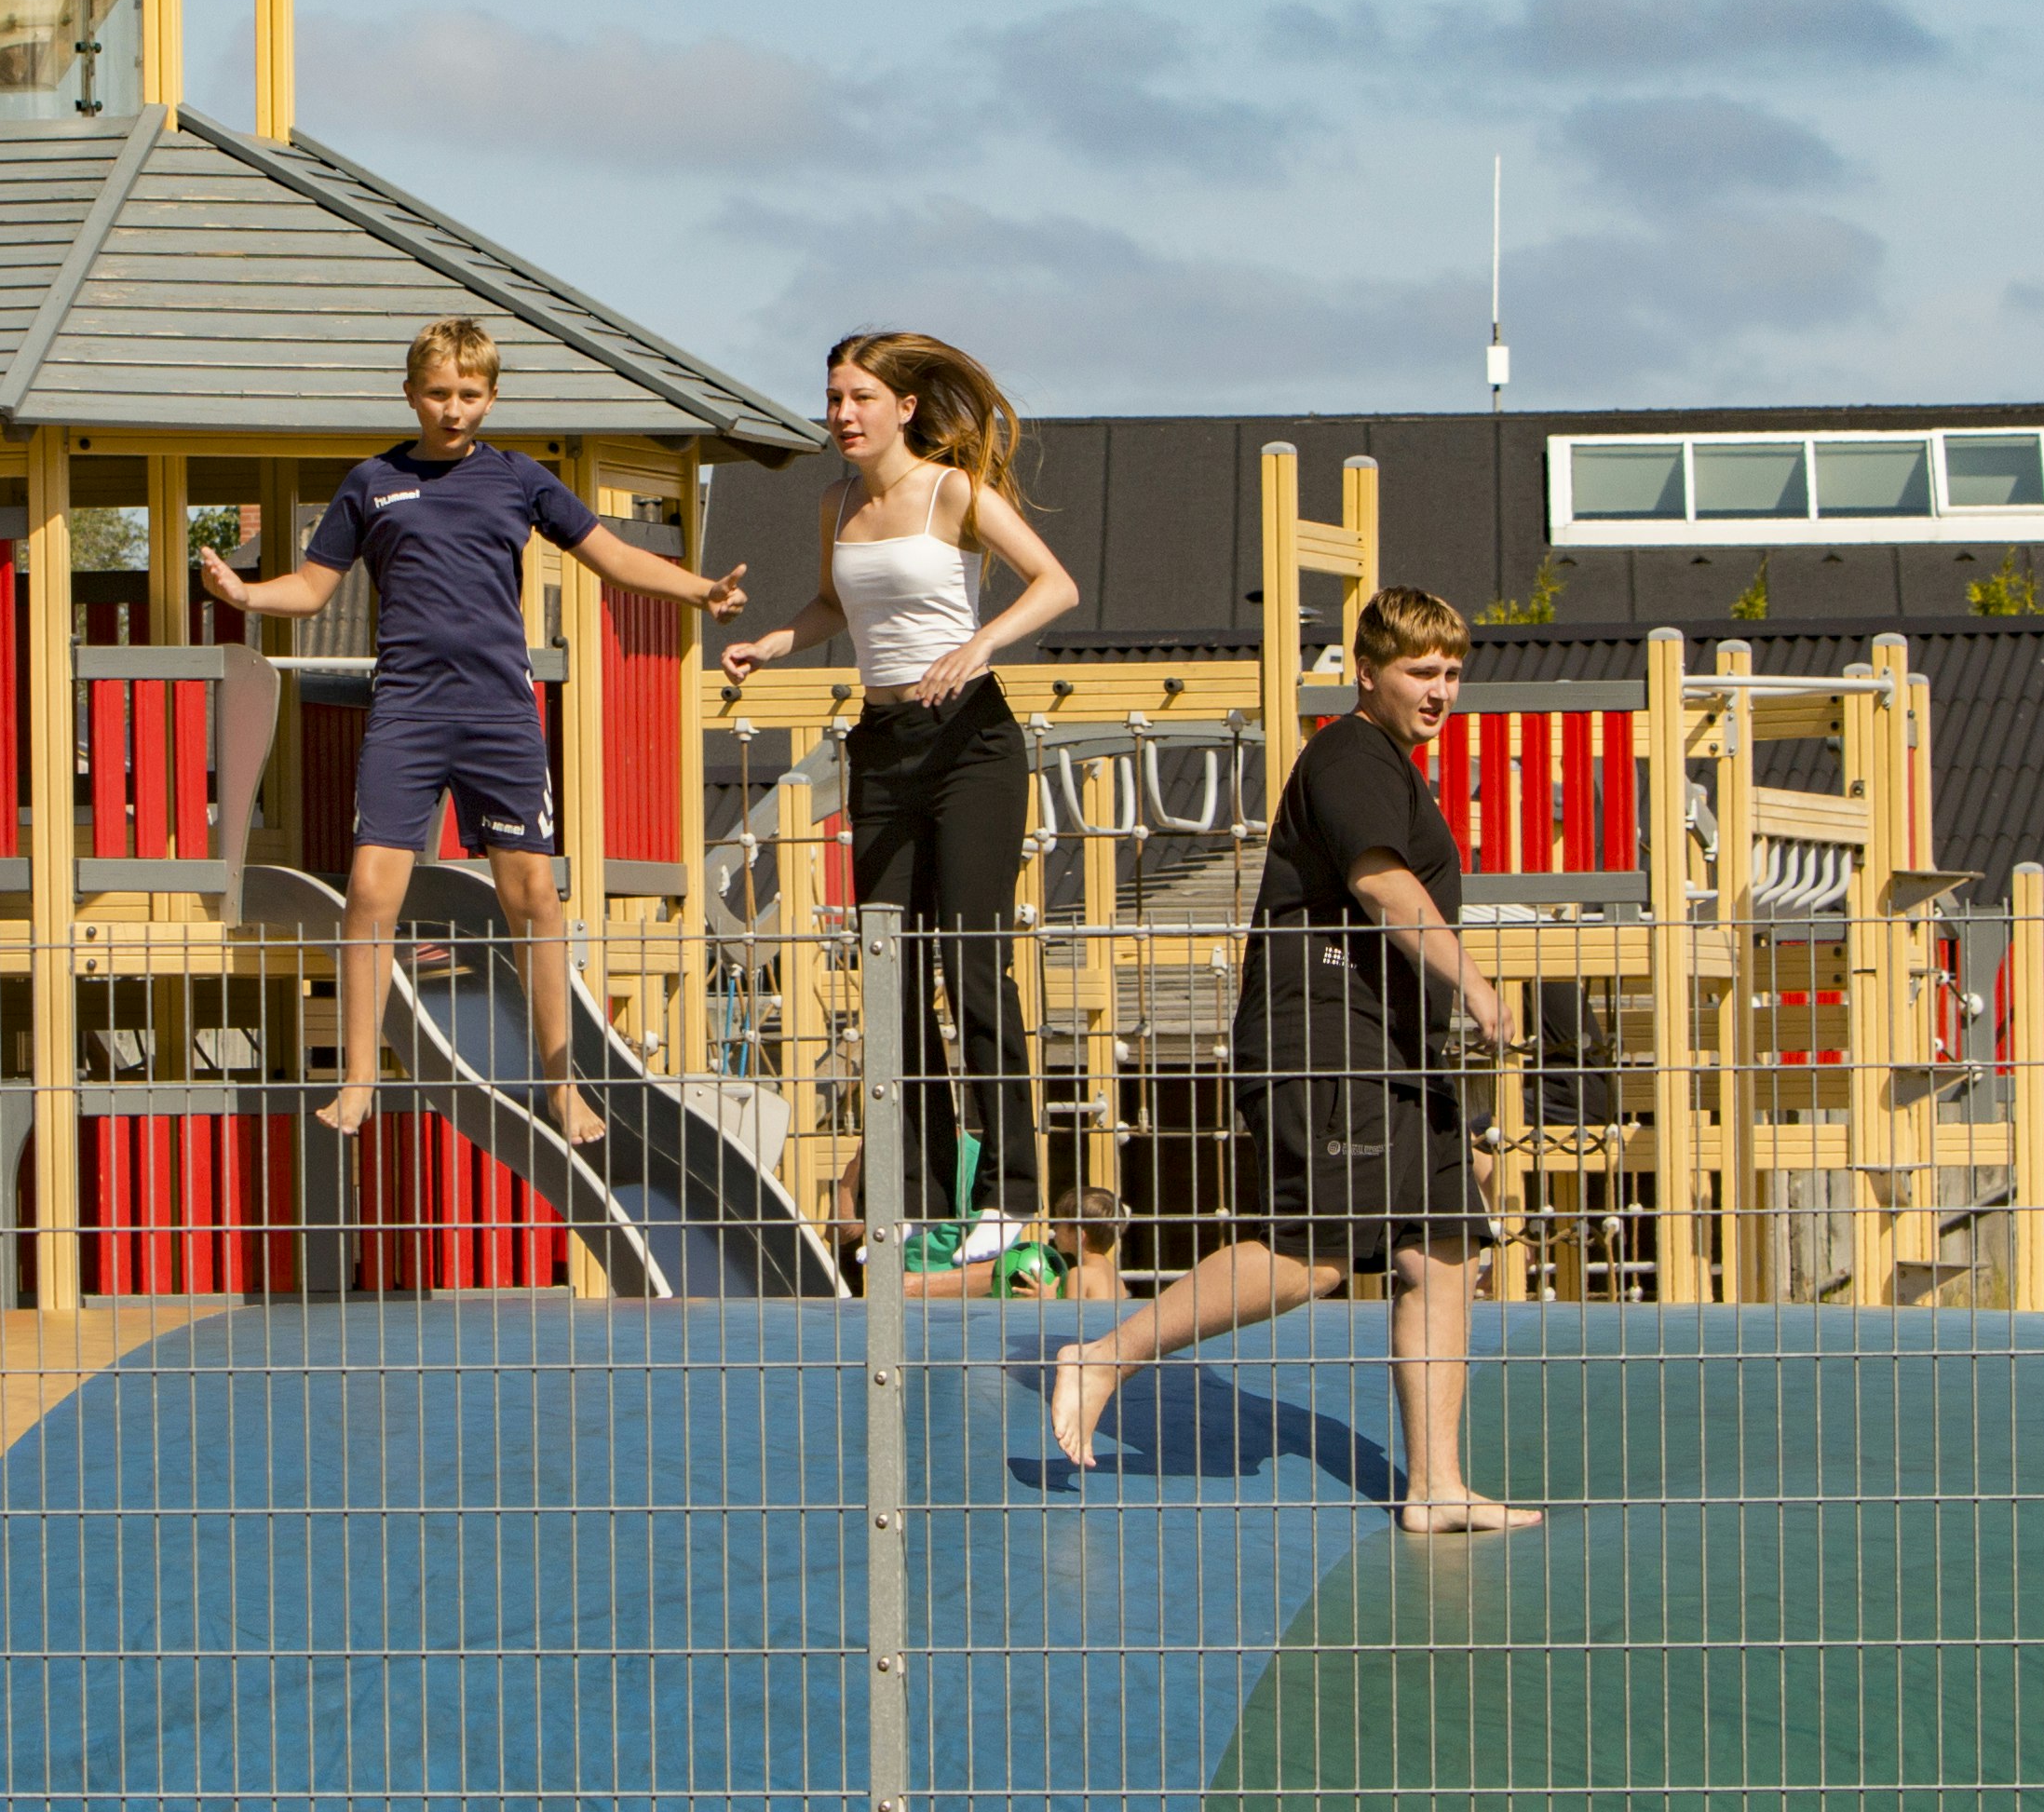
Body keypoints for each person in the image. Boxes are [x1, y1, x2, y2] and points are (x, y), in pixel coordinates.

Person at [1044, 588, 1541, 1537]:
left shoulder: (1396, 761)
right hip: (1326, 1038)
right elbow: (1380, 881)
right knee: (1313, 1256)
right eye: (1419, 672)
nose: (1440, 691)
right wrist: (1475, 984)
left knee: (1441, 1253)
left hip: (1399, 1044)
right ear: (1368, 672)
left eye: (1451, 672)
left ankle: (1435, 1485)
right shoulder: (1348, 754)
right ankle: (1107, 1355)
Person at [199, 318, 745, 1148]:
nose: (453, 409)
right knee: (372, 890)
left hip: (499, 714)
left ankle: (560, 1085)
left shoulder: (519, 479)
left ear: (491, 396)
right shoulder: (372, 483)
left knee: (535, 896)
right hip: (409, 713)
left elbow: (614, 556)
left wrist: (700, 589)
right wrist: (244, 597)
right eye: (438, 393)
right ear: (410, 391)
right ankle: (357, 1078)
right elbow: (311, 589)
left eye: (470, 394)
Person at [716, 332, 1080, 1248]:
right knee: (890, 972)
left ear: (904, 407)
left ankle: (1011, 1193)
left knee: (971, 963)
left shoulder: (952, 491)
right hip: (881, 743)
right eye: (833, 397)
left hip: (971, 744)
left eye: (860, 398)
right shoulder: (837, 502)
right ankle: (916, 1187)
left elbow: (1055, 584)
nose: (841, 414)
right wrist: (772, 642)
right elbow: (839, 606)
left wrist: (980, 643)